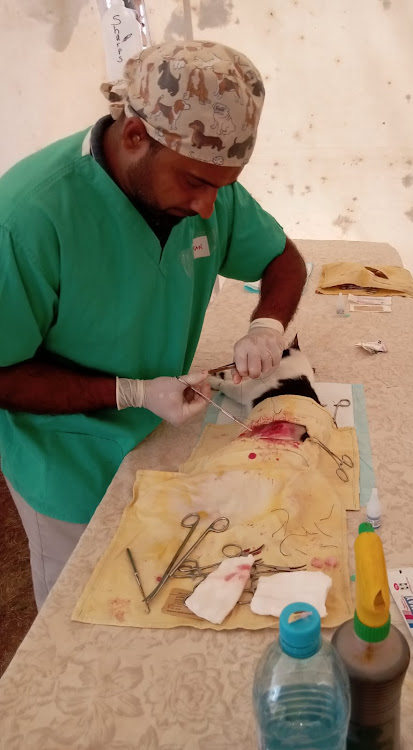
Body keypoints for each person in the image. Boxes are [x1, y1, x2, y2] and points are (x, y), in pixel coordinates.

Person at [0, 40, 307, 609]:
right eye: (195, 183)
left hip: (162, 442)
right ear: (136, 135)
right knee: (85, 617)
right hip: (68, 464)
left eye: (225, 185)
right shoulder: (28, 218)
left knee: (169, 603)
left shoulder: (205, 188)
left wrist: (267, 324)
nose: (210, 208)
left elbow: (282, 258)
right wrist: (129, 391)